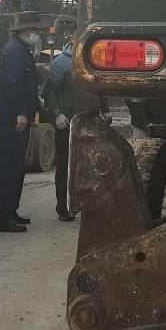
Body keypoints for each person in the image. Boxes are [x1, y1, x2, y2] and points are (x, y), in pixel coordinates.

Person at [43, 37, 106, 221]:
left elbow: (100, 87)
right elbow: (49, 91)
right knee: (66, 166)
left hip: (91, 122)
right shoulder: (61, 64)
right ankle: (64, 207)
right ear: (73, 40)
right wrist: (57, 114)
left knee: (92, 165)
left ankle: (89, 205)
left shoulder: (93, 61)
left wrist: (106, 110)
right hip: (68, 124)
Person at [0, 12, 43, 233]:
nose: (38, 34)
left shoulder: (21, 49)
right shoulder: (15, 51)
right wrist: (20, 113)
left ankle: (11, 211)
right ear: (24, 31)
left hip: (16, 118)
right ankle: (3, 218)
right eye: (35, 30)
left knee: (15, 167)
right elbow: (13, 86)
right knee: (8, 167)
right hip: (11, 120)